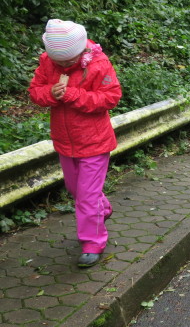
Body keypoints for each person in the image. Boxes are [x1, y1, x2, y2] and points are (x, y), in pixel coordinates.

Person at [29, 19, 122, 268]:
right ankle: (102, 209)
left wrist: (73, 94)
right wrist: (50, 93)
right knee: (76, 190)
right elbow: (35, 90)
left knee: (86, 197)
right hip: (65, 141)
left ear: (80, 50)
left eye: (68, 61)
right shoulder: (47, 61)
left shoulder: (98, 63)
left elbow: (110, 97)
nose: (62, 66)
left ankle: (92, 242)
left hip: (95, 142)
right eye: (58, 61)